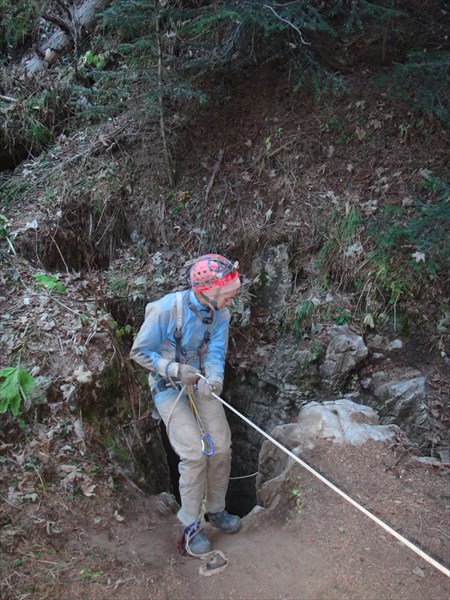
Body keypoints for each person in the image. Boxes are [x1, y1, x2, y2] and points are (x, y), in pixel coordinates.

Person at [130, 254, 242, 555]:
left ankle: (216, 509)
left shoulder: (220, 314)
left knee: (221, 445)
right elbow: (139, 353)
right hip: (168, 384)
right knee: (194, 453)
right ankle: (191, 527)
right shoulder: (166, 309)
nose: (230, 302)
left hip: (200, 381)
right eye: (227, 296)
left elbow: (216, 353)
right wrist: (175, 370)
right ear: (207, 291)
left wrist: (215, 379)